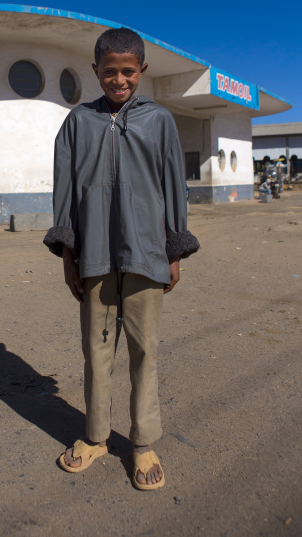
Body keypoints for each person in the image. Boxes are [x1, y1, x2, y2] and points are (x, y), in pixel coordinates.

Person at [43, 27, 200, 490]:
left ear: (142, 71)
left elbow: (174, 188)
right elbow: (65, 191)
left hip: (147, 253)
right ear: (95, 71)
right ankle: (94, 437)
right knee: (96, 350)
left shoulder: (160, 121)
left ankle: (143, 441)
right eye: (109, 71)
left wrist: (174, 251)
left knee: (144, 350)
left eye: (127, 71)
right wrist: (68, 254)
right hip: (92, 254)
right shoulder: (77, 122)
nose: (118, 80)